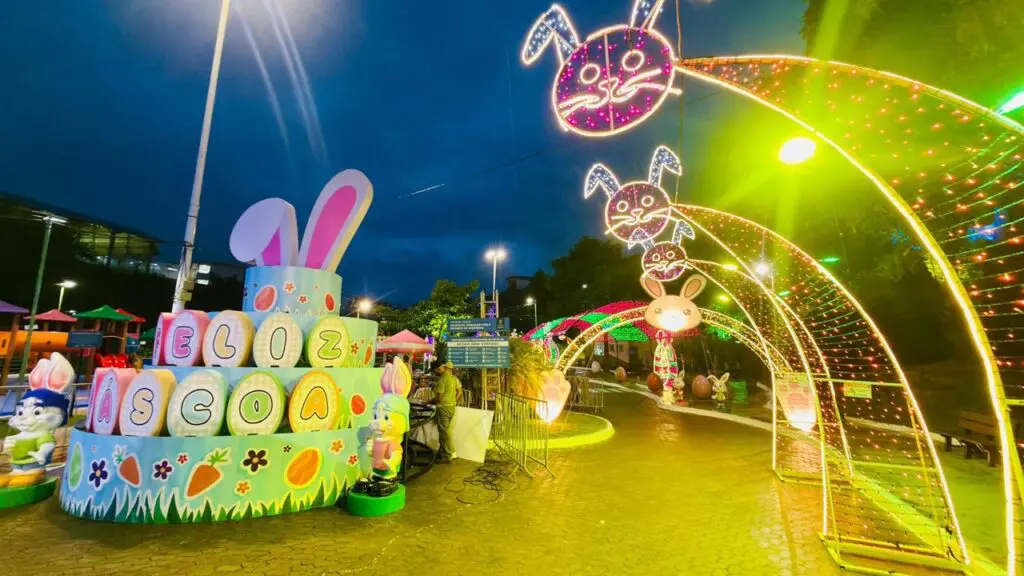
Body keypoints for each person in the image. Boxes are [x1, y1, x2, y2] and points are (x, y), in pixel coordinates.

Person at [431, 361, 461, 463]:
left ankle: (447, 455)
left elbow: (438, 397)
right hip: (451, 407)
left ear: (440, 368)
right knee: (446, 431)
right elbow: (459, 392)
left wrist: (428, 402)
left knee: (444, 433)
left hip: (443, 408)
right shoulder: (453, 379)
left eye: (435, 371)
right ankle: (445, 452)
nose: (435, 373)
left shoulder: (443, 379)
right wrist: (454, 401)